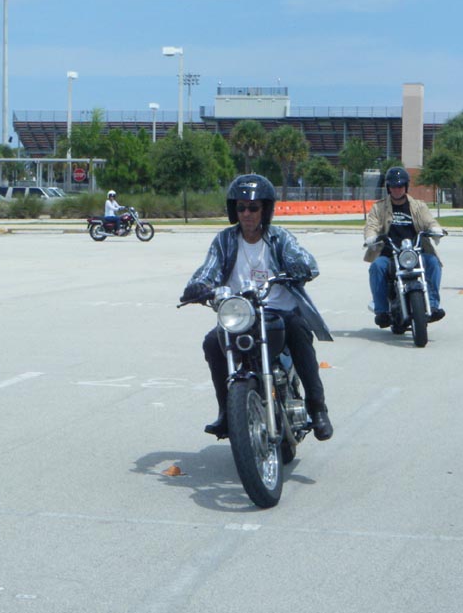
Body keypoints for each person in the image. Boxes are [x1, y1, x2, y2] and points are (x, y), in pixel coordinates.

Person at [179, 173, 333, 442]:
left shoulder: (279, 238)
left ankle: (317, 408)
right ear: (234, 210)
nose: (247, 213)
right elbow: (207, 271)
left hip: (279, 312)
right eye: (241, 208)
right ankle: (227, 412)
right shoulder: (225, 240)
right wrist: (199, 287)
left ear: (265, 209)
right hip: (240, 313)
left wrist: (299, 267)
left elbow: (304, 260)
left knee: (299, 330)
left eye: (253, 207)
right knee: (212, 342)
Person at [363, 166, 446, 326]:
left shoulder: (418, 206)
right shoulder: (379, 207)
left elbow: (429, 221)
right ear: (388, 187)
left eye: (400, 186)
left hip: (415, 253)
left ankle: (433, 305)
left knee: (433, 263)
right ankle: (382, 311)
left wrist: (435, 229)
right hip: (390, 254)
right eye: (393, 186)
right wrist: (371, 237)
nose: (397, 189)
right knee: (376, 267)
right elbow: (371, 225)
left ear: (406, 186)